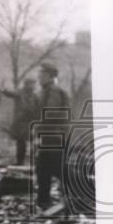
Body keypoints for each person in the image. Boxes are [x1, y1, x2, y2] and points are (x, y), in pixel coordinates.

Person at [33, 61, 71, 210]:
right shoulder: (48, 90)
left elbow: (50, 113)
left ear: (49, 76)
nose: (38, 77)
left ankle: (47, 202)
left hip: (54, 136)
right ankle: (45, 202)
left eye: (41, 74)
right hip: (53, 135)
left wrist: (37, 127)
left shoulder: (53, 91)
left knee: (48, 169)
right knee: (48, 169)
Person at [0, 77, 39, 165]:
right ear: (26, 84)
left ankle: (35, 162)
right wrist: (3, 90)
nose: (32, 86)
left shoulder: (35, 96)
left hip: (30, 122)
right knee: (21, 143)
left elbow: (38, 107)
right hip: (20, 122)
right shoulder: (20, 92)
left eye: (33, 84)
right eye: (30, 84)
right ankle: (20, 162)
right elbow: (11, 94)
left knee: (34, 142)